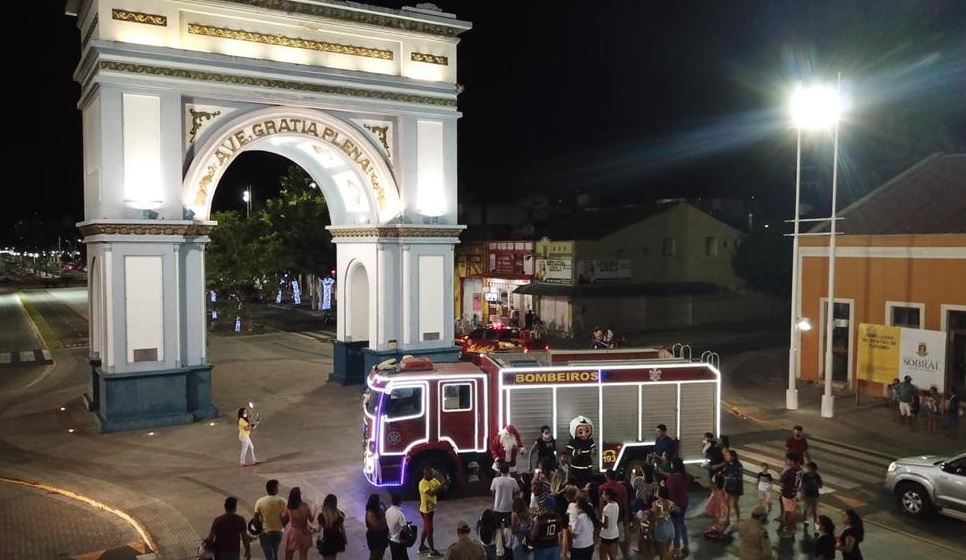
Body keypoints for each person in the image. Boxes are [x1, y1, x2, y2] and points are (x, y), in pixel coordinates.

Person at [254, 479, 287, 560]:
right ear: (275, 489)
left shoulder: (260, 501)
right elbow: (285, 517)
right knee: (275, 551)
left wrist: (257, 530)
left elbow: (256, 518)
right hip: (278, 530)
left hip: (265, 531)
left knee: (269, 555)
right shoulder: (282, 501)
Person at [665, 458, 691, 558]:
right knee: (682, 524)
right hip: (684, 503)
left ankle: (676, 548)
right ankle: (686, 545)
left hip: (675, 505)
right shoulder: (683, 476)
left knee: (676, 527)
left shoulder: (672, 479)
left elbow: (670, 493)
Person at [418, 466, 446, 557]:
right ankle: (433, 551)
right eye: (431, 473)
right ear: (425, 474)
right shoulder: (422, 483)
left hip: (431, 508)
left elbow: (443, 488)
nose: (433, 474)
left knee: (426, 528)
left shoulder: (433, 480)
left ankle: (421, 547)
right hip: (425, 510)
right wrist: (442, 484)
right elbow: (431, 493)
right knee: (430, 529)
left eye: (433, 473)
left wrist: (443, 480)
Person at [282, 486, 315, 560]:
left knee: (289, 554)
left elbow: (284, 516)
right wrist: (315, 510)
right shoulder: (305, 506)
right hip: (304, 531)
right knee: (303, 555)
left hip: (293, 531)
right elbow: (311, 519)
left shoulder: (289, 507)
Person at [529, 494, 563, 560]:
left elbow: (533, 535)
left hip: (541, 547)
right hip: (555, 546)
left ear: (546, 506)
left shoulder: (540, 519)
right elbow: (560, 532)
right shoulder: (559, 518)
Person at [566, 416, 596, 490]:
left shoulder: (590, 440)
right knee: (578, 483)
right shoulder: (573, 441)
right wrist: (575, 452)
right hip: (577, 466)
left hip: (587, 465)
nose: (584, 434)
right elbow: (569, 451)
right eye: (580, 432)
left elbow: (593, 447)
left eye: (587, 431)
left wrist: (594, 451)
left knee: (588, 482)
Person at [650, 486, 678, 560]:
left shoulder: (656, 503)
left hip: (661, 529)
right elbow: (678, 510)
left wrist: (651, 528)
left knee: (663, 554)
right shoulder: (671, 503)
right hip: (670, 528)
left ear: (659, 494)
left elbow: (653, 517)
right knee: (666, 550)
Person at [777, 453, 802, 538]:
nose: (786, 461)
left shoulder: (790, 471)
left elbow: (781, 480)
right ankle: (792, 528)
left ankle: (789, 531)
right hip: (793, 492)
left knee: (789, 513)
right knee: (791, 511)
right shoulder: (799, 469)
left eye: (788, 460)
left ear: (792, 461)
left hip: (787, 493)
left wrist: (782, 474)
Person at [317, 493, 347, 560]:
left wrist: (311, 527)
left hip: (327, 539)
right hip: (337, 538)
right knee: (333, 557)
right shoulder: (339, 514)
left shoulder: (323, 516)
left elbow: (318, 529)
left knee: (325, 558)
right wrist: (344, 539)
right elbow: (342, 528)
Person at [491, 461, 518, 529]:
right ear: (508, 470)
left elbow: (492, 492)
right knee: (508, 527)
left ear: (500, 470)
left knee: (498, 527)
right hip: (509, 507)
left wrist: (497, 497)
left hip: (497, 507)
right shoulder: (513, 480)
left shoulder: (495, 480)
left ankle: (499, 539)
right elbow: (516, 492)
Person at [722, 449, 744, 525]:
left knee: (735, 503)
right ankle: (727, 519)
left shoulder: (738, 465)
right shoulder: (727, 464)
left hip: (736, 486)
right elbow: (724, 472)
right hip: (728, 485)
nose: (726, 457)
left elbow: (739, 477)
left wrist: (730, 478)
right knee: (726, 501)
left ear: (733, 457)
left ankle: (738, 518)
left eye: (728, 455)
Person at [801, 461, 824, 535]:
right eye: (808, 468)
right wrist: (802, 493)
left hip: (815, 495)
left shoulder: (817, 477)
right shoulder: (805, 475)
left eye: (810, 468)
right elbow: (803, 484)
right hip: (807, 494)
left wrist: (816, 483)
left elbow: (820, 486)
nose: (809, 470)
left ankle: (816, 527)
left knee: (815, 511)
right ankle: (805, 519)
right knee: (806, 508)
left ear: (814, 469)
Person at [385, 493, 410, 560]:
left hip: (391, 540)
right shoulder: (400, 514)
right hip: (399, 541)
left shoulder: (387, 511)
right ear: (400, 501)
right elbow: (404, 529)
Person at [365, 493, 389, 560]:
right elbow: (376, 525)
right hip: (375, 535)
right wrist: (384, 515)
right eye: (379, 500)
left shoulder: (378, 510)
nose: (380, 500)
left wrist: (383, 505)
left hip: (382, 534)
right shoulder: (370, 512)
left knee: (381, 553)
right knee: (375, 554)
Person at [598, 487, 620, 560]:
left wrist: (598, 522)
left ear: (607, 496)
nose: (602, 496)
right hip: (615, 534)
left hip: (606, 536)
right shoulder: (616, 504)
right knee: (612, 556)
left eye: (603, 494)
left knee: (602, 556)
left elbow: (605, 525)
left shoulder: (606, 508)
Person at [510, 494, 533, 560]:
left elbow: (513, 531)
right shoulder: (528, 514)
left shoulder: (514, 515)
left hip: (518, 543)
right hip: (527, 543)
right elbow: (531, 527)